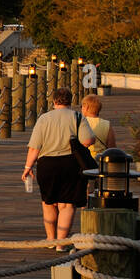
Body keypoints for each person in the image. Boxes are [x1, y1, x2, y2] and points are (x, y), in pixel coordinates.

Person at [23, 87, 88, 247]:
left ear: (53, 101)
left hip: (47, 164)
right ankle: (61, 243)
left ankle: (50, 239)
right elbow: (88, 140)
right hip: (70, 164)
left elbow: (34, 147)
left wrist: (27, 166)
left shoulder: (43, 118)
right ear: (70, 101)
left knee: (48, 202)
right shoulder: (78, 116)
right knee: (66, 204)